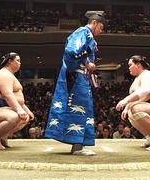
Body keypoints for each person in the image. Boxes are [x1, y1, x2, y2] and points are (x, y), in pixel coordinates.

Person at [45, 10, 107, 156]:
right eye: (101, 27)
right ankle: (77, 146)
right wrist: (87, 62)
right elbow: (71, 51)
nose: (101, 31)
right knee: (76, 108)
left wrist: (88, 64)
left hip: (81, 78)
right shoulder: (82, 32)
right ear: (94, 22)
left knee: (84, 109)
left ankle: (80, 144)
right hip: (75, 77)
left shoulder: (89, 36)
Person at [116, 55, 150, 151]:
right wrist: (127, 107)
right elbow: (137, 99)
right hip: (149, 110)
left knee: (136, 109)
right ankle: (149, 138)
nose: (128, 68)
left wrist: (126, 101)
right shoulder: (138, 78)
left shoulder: (147, 74)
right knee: (130, 112)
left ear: (138, 64)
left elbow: (145, 90)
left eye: (130, 65)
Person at [0, 52, 34, 150]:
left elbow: (17, 99)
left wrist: (26, 110)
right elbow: (8, 95)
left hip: (5, 109)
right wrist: (19, 110)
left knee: (25, 118)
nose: (20, 63)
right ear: (10, 62)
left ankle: (3, 136)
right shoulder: (4, 75)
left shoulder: (10, 75)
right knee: (14, 117)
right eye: (18, 61)